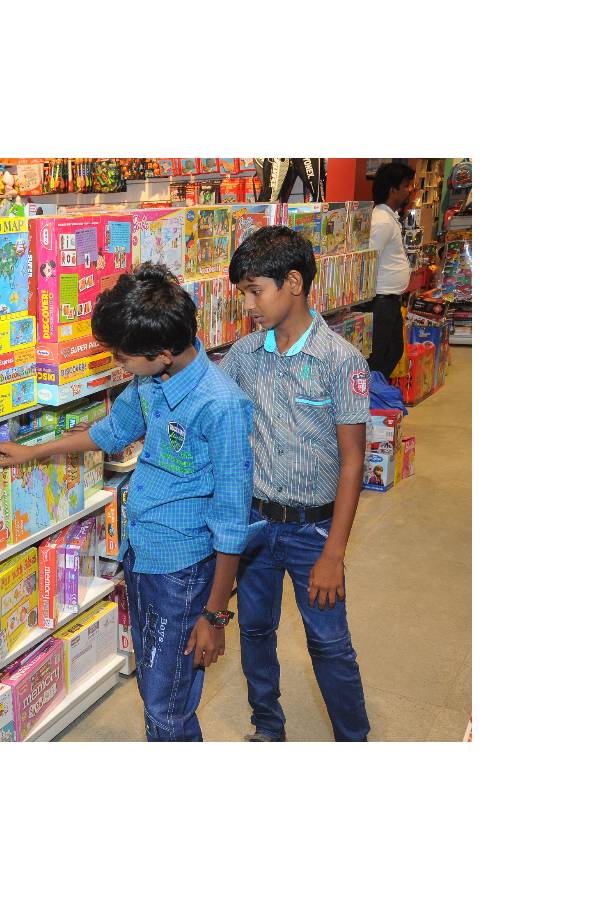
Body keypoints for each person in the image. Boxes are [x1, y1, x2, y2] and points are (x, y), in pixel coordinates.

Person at [0, 263, 254, 742]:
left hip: (184, 571)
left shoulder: (221, 405)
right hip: (143, 555)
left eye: (123, 357)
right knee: (155, 681)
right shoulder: (151, 381)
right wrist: (32, 453)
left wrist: (214, 616)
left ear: (162, 352)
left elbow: (233, 519)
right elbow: (110, 432)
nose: (118, 365)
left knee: (166, 700)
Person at [220, 225, 371, 742]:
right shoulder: (244, 356)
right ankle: (268, 726)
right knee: (255, 630)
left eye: (255, 291)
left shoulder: (340, 360)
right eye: (242, 292)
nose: (248, 304)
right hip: (258, 528)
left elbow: (353, 461)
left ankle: (354, 738)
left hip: (314, 532)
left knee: (328, 642)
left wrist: (334, 552)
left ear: (294, 283)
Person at [361, 161, 416, 377]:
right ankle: (371, 402)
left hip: (389, 301)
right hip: (380, 302)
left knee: (392, 351)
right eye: (405, 186)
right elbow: (368, 261)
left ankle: (378, 396)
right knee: (379, 357)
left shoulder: (389, 218)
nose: (409, 190)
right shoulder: (382, 221)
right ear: (393, 190)